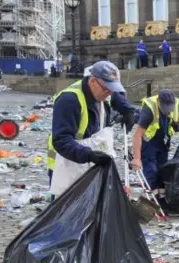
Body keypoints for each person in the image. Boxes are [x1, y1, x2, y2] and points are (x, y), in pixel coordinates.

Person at [47, 61, 135, 197]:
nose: (110, 93)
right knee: (67, 207)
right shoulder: (69, 100)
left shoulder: (103, 91)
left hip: (89, 159)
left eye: (113, 89)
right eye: (107, 89)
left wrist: (128, 111)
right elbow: (61, 141)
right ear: (93, 81)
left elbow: (116, 97)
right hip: (66, 163)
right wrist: (89, 155)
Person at [131, 90, 179, 205]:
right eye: (165, 107)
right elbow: (137, 135)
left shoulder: (172, 104)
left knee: (162, 170)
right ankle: (148, 203)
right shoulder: (149, 110)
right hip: (149, 143)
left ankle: (161, 201)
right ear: (159, 102)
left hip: (163, 142)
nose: (167, 110)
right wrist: (136, 158)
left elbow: (176, 115)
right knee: (151, 172)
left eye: (170, 107)